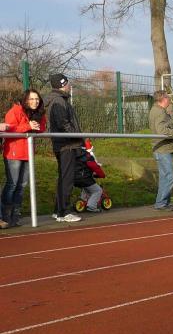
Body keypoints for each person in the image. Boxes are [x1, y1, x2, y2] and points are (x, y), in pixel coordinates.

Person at [44, 73, 84, 222]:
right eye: (67, 83)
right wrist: (77, 136)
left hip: (65, 144)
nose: (69, 85)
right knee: (67, 179)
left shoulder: (58, 99)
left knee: (63, 178)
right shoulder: (59, 101)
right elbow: (63, 124)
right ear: (62, 85)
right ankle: (64, 212)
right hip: (66, 145)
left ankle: (58, 210)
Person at [3, 90, 46, 227]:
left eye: (37, 99)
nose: (35, 101)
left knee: (22, 185)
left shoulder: (39, 113)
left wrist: (38, 126)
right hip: (14, 153)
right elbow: (9, 129)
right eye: (31, 99)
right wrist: (28, 126)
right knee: (12, 184)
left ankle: (15, 217)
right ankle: (5, 216)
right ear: (25, 100)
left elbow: (42, 128)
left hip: (28, 153)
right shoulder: (15, 111)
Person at [148, 90, 173, 211]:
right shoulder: (159, 112)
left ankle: (164, 203)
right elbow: (162, 130)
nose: (170, 99)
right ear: (163, 99)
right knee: (169, 177)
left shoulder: (157, 110)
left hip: (162, 148)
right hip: (163, 149)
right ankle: (161, 203)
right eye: (168, 97)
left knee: (165, 177)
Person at [73, 142, 105, 212]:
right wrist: (102, 175)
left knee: (86, 188)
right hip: (84, 179)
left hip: (73, 179)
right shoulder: (88, 157)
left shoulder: (72, 156)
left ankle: (82, 203)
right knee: (98, 190)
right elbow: (96, 167)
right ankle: (92, 206)